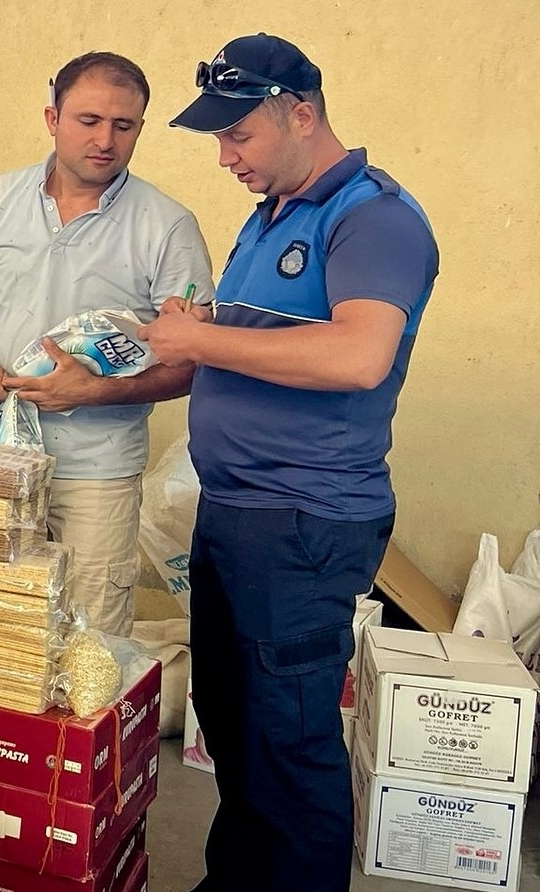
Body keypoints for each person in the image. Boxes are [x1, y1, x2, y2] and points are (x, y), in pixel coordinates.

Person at [141, 34, 439, 892]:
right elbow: (239, 347)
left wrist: (197, 336)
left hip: (304, 520)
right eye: (219, 140)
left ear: (299, 112)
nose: (226, 156)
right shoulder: (272, 212)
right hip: (237, 512)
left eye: (240, 135)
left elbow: (358, 357)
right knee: (234, 731)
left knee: (292, 746)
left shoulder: (372, 218)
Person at [0, 52, 215, 636]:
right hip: (2, 457)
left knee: (91, 646)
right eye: (88, 120)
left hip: (98, 472)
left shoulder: (167, 226)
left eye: (124, 125)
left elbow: (192, 364)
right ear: (52, 119)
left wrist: (91, 392)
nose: (106, 140)